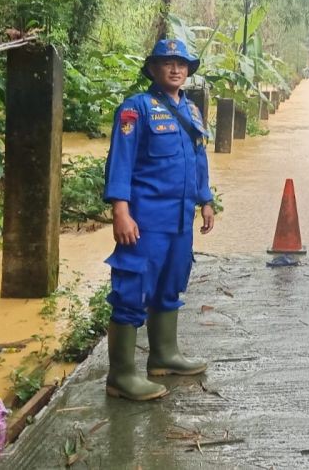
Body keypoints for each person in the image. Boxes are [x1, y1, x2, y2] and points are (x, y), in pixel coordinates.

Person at [102, 38, 216, 401]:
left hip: (180, 219)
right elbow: (119, 160)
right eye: (167, 62)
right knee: (131, 289)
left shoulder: (193, 111)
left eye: (181, 63)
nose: (175, 69)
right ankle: (121, 376)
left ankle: (164, 356)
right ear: (152, 68)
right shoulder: (137, 109)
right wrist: (121, 211)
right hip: (146, 219)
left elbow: (198, 160)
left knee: (171, 285)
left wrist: (206, 200)